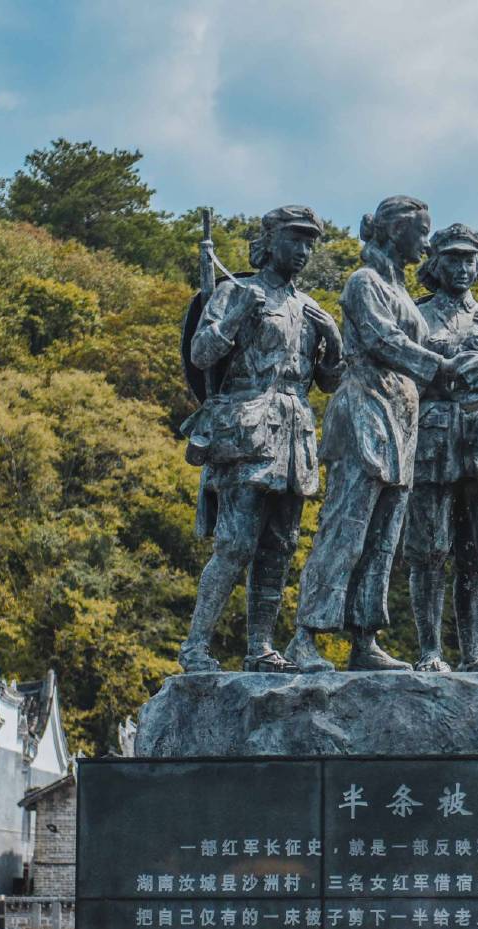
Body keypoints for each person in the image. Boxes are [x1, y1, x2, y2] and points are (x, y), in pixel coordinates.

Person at [284, 195, 462, 672]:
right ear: (394, 230)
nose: (426, 241)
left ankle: (364, 636)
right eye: (421, 232)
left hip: (403, 415)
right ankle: (306, 637)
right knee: (346, 527)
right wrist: (438, 365)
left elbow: (422, 346)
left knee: (385, 535)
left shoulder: (401, 289)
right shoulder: (364, 282)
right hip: (365, 406)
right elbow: (384, 340)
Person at [177, 205, 343, 673]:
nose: (303, 250)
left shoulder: (309, 309)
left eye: (310, 242)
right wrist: (234, 320)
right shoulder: (236, 290)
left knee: (280, 546)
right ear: (269, 241)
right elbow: (201, 352)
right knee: (234, 544)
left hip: (295, 434)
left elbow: (330, 382)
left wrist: (333, 335)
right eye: (295, 239)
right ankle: (195, 648)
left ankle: (261, 648)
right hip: (246, 427)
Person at [406, 223, 478, 672]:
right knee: (429, 550)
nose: (463, 267)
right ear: (435, 263)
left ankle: (474, 652)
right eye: (453, 258)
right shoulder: (417, 315)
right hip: (433, 435)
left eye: (470, 259)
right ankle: (430, 651)